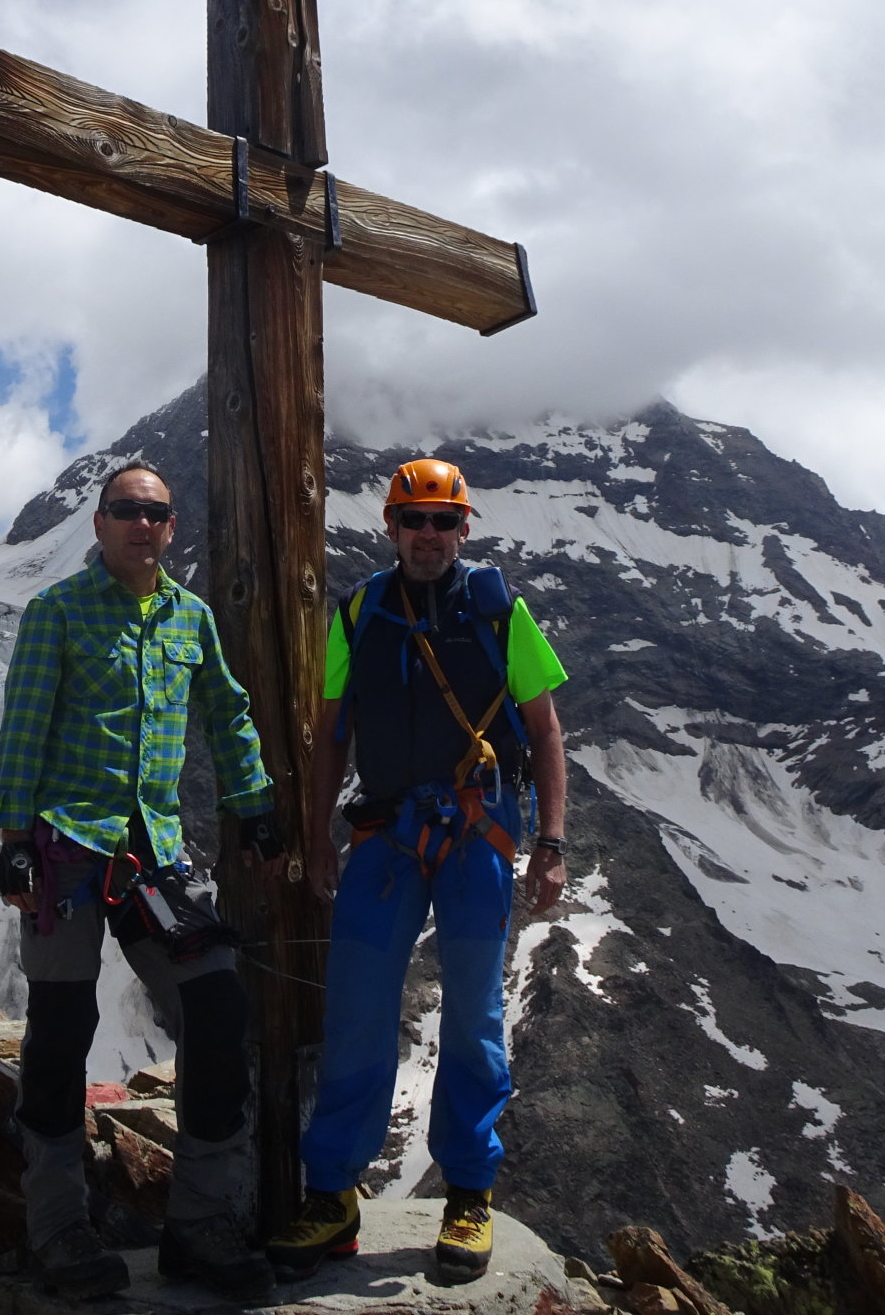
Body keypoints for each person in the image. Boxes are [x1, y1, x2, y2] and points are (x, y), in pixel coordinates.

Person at [0, 460, 287, 1303]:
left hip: (154, 855)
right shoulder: (58, 612)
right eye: (124, 510)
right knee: (60, 1030)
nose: (140, 524)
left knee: (216, 1007)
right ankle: (58, 1228)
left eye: (155, 513)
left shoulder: (190, 618)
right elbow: (25, 727)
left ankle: (197, 1225)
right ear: (100, 524)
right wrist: (13, 840)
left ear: (171, 527)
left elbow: (227, 712)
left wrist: (254, 802)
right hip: (67, 848)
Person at [266, 457, 569, 1287]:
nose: (428, 535)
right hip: (385, 835)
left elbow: (545, 729)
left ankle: (468, 1193)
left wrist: (551, 844)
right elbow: (333, 729)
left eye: (443, 521)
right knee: (357, 1010)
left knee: (473, 1014)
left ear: (464, 528)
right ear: (391, 527)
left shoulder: (500, 610)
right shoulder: (359, 610)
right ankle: (333, 1194)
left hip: (477, 834)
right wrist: (318, 836)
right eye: (414, 520)